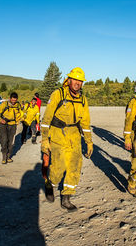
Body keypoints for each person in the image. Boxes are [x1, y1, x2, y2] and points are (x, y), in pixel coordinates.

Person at [41, 67, 93, 212]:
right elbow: (46, 119)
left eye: (80, 81)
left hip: (75, 137)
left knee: (74, 168)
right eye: (75, 80)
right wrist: (45, 139)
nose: (77, 83)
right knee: (59, 168)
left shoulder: (83, 99)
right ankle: (50, 183)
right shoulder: (58, 94)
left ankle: (66, 198)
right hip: (58, 135)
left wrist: (89, 141)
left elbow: (86, 123)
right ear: (68, 80)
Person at [0, 92, 23, 164]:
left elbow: (22, 113)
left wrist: (21, 119)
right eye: (12, 100)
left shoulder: (18, 105)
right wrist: (1, 120)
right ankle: (4, 157)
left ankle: (8, 156)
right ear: (10, 98)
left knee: (11, 142)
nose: (13, 102)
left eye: (15, 100)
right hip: (4, 124)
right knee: (4, 140)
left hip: (13, 125)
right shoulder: (5, 104)